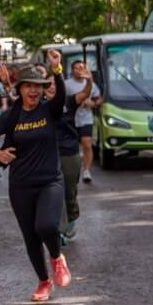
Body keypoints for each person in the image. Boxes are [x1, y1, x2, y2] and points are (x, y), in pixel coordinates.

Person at [0, 65, 86, 301]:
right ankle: (43, 281)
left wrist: (58, 70)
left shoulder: (49, 110)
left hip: (50, 181)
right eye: (28, 86)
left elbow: (61, 96)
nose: (33, 91)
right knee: (30, 237)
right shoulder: (12, 115)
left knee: (47, 226)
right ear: (19, 89)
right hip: (20, 185)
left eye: (38, 86)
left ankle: (57, 257)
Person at [56, 60, 95, 243]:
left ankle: (71, 219)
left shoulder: (68, 101)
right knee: (54, 191)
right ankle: (59, 229)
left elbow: (87, 94)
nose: (49, 90)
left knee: (69, 190)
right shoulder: (40, 105)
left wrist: (89, 80)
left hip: (69, 151)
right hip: (49, 155)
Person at [67, 57, 100, 184]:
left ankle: (86, 170)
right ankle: (73, 169)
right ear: (72, 70)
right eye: (77, 68)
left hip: (86, 118)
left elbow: (99, 99)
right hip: (71, 120)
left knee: (87, 144)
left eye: (82, 67)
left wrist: (93, 104)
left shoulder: (91, 84)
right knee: (73, 147)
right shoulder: (67, 84)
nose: (80, 70)